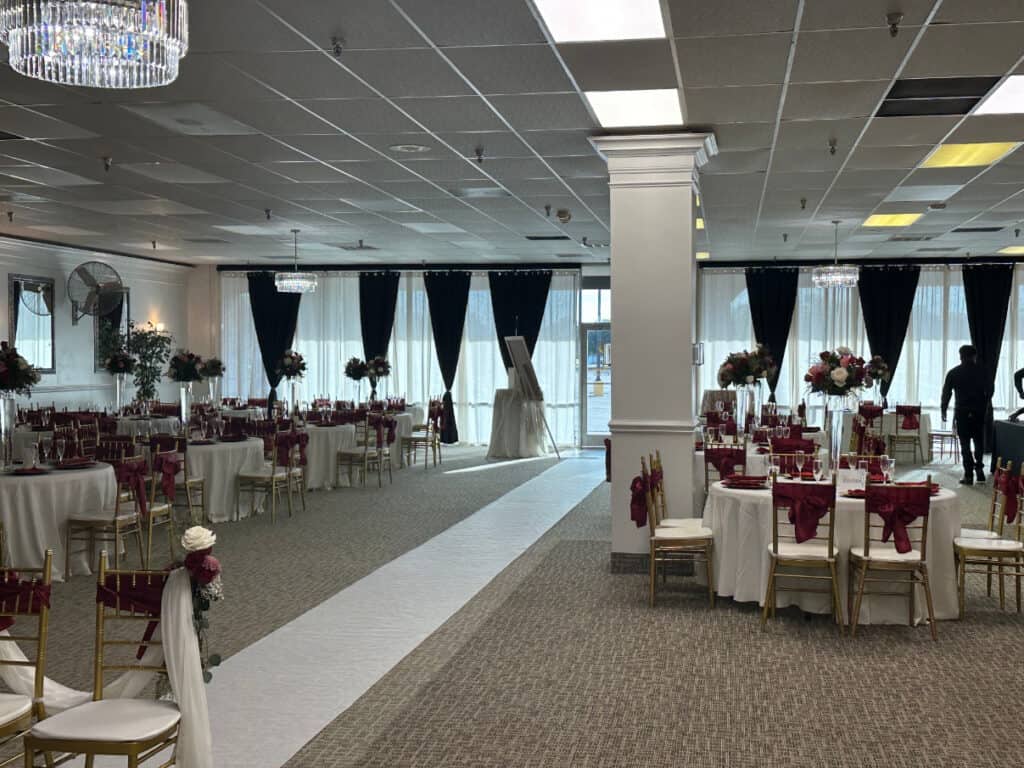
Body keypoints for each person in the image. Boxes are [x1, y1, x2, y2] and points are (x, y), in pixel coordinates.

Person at [941, 345, 992, 485]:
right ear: (974, 356)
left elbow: (947, 392)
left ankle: (968, 474)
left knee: (964, 443)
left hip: (962, 412)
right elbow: (990, 390)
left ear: (961, 356)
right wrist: (985, 404)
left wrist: (943, 409)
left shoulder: (953, 372)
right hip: (978, 411)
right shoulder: (983, 371)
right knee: (978, 441)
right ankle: (980, 470)